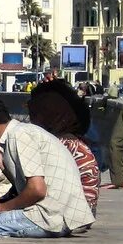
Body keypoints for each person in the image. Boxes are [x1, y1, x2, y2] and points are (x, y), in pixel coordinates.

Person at [0, 97, 94, 244]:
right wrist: (1, 163)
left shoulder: (19, 136)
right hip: (64, 214)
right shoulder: (25, 131)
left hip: (50, 217)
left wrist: (0, 208)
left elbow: (37, 190)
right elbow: (28, 187)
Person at [27, 79, 100, 214]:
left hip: (69, 215)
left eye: (34, 110)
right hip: (81, 211)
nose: (31, 117)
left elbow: (36, 191)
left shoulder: (62, 146)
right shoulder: (76, 140)